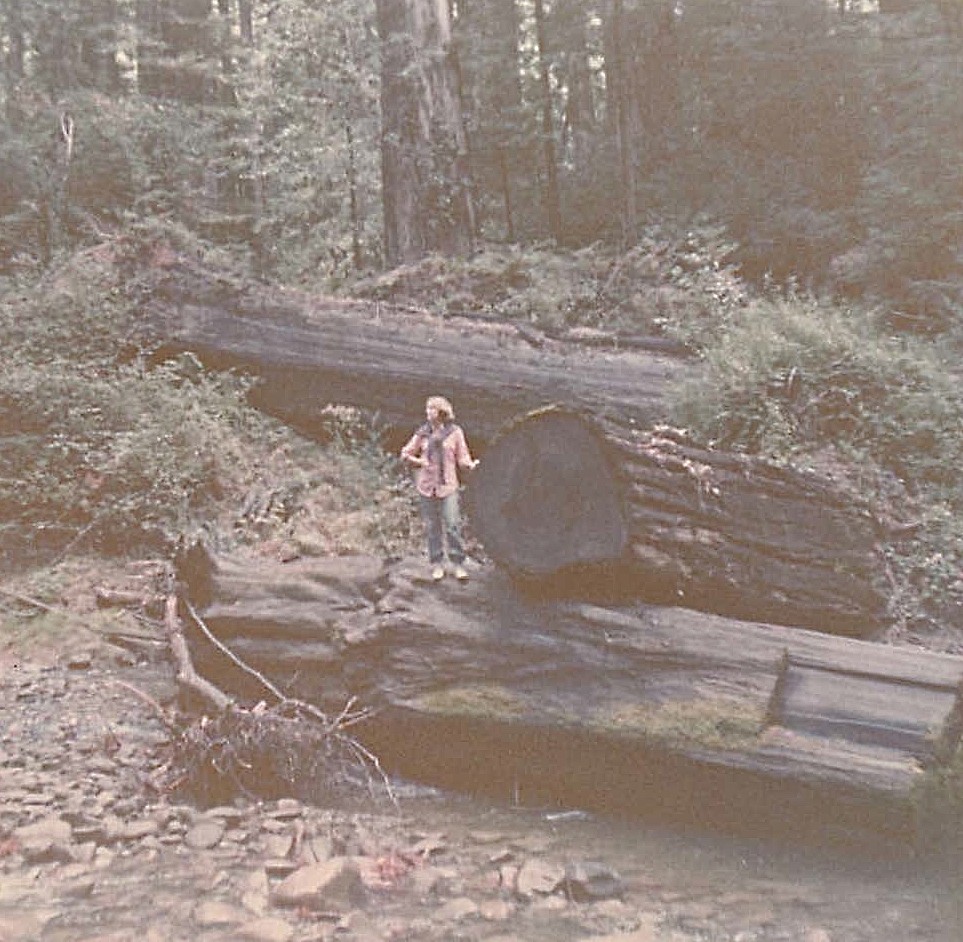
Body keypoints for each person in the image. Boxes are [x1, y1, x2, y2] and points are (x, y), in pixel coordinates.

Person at [400, 395, 479, 581]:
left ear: (442, 412)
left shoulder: (455, 432)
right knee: (432, 526)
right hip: (426, 486)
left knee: (452, 524)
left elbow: (463, 458)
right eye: (427, 409)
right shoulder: (423, 433)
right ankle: (437, 563)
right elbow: (405, 453)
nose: (428, 412)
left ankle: (458, 563)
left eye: (432, 409)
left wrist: (472, 465)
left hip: (448, 486)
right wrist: (419, 461)